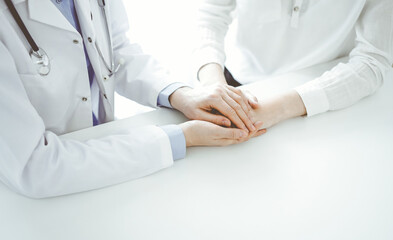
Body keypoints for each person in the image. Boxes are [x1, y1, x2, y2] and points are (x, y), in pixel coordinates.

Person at [0, 0, 265, 198]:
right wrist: (181, 137)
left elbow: (117, 50)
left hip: (106, 150)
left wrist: (180, 95)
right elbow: (34, 167)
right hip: (42, 197)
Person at [194, 0, 393, 128]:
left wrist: (277, 109)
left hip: (321, 99)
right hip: (233, 83)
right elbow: (209, 15)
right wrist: (213, 83)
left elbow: (374, 59)